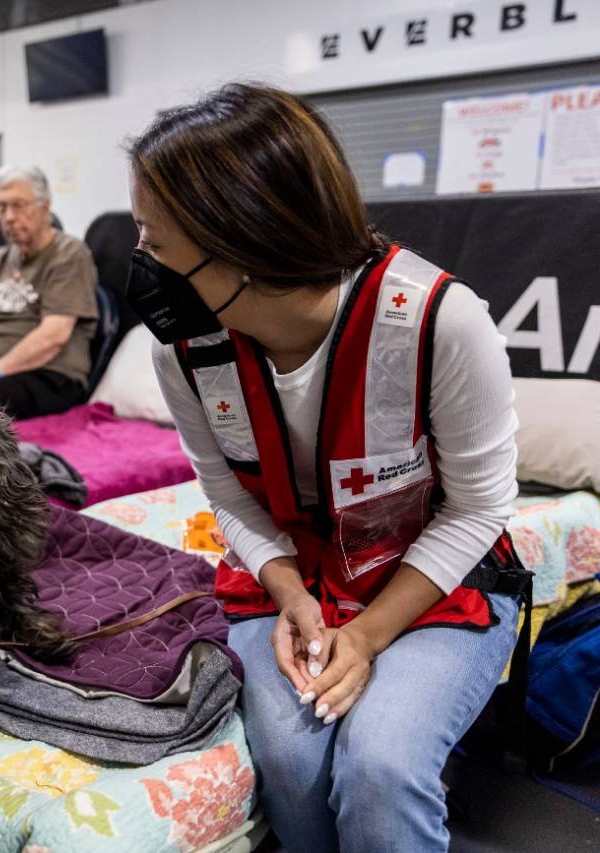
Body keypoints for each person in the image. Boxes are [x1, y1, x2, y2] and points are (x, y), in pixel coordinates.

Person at [125, 84, 529, 853]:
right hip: (291, 576)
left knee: (381, 763)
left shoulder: (439, 320)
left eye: (153, 237)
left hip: (429, 578)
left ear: (237, 241)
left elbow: (478, 511)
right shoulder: (184, 348)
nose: (140, 260)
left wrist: (369, 635)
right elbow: (224, 491)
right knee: (289, 755)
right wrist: (290, 595)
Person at [0, 165, 99, 419]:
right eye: (2, 208)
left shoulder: (69, 255)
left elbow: (53, 337)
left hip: (50, 375)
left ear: (45, 206)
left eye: (18, 205)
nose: (9, 217)